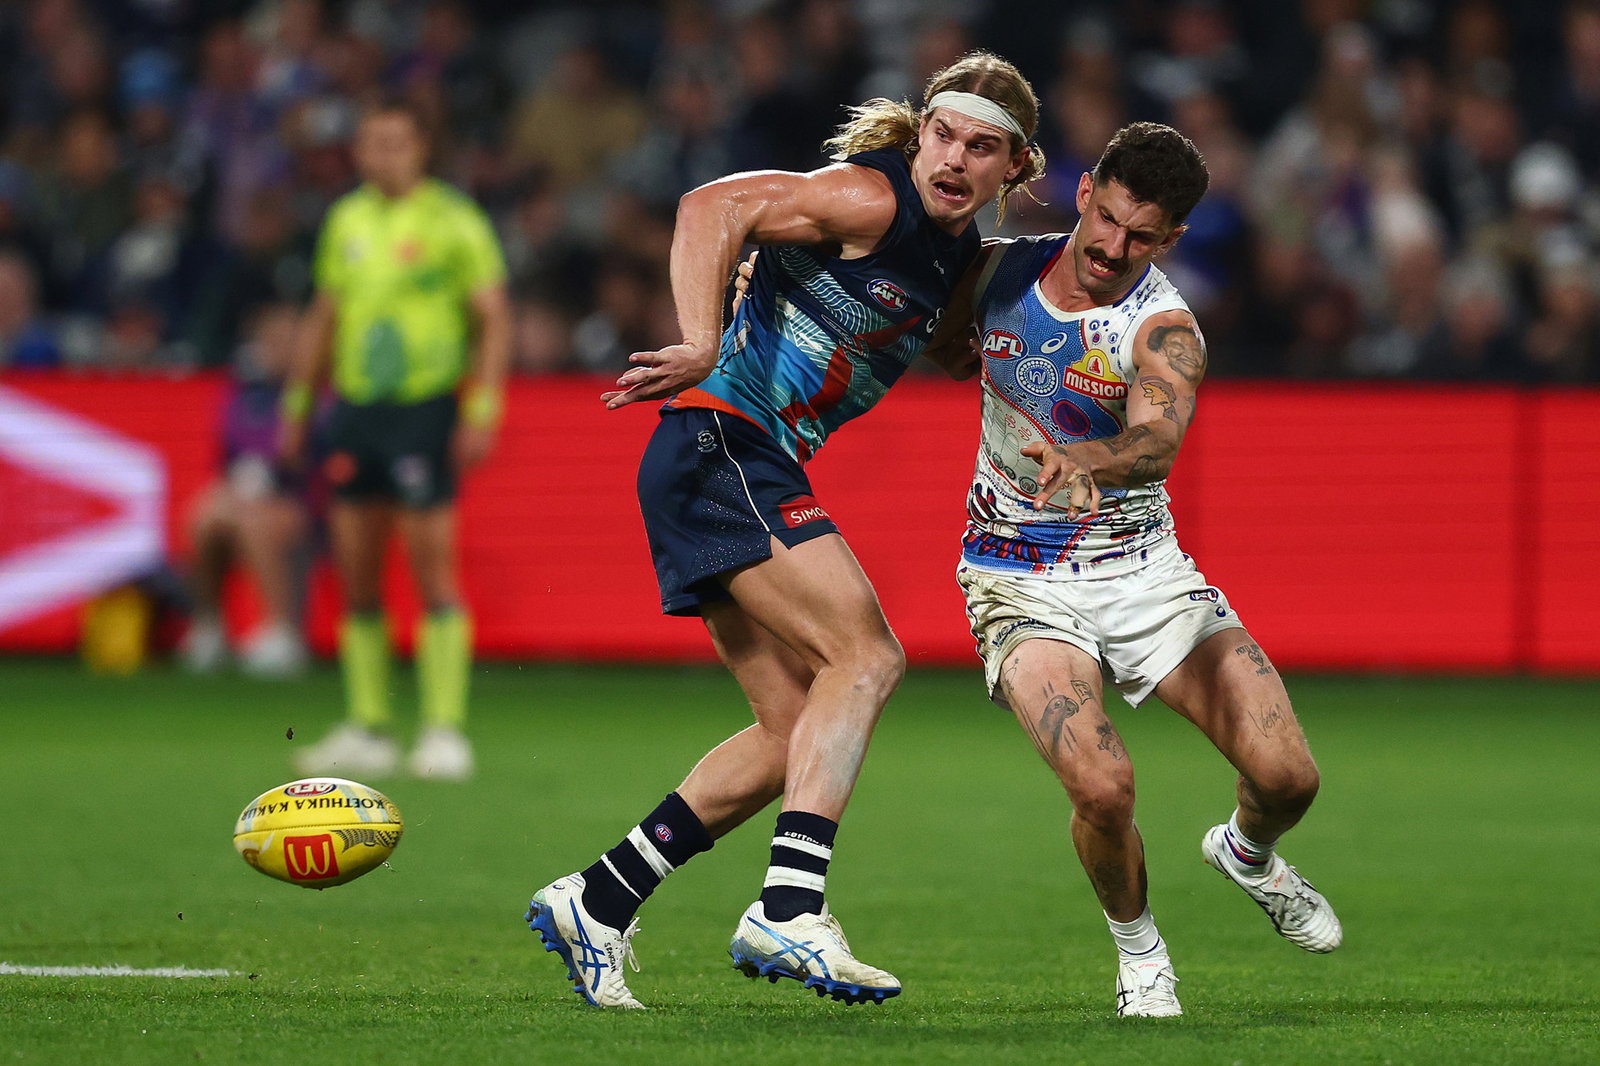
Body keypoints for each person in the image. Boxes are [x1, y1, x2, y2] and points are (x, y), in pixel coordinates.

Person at [524, 52, 1045, 1010]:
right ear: (920, 132)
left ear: (1014, 167)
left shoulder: (948, 257)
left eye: (981, 148)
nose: (953, 158)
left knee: (792, 728)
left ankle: (597, 901)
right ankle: (790, 908)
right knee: (868, 656)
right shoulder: (870, 197)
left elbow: (928, 333)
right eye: (942, 134)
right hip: (723, 441)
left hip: (724, 460)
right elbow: (708, 207)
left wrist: (979, 347)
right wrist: (701, 340)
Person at [939, 122, 1341, 1018]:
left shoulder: (1162, 327)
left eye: (1142, 236)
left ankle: (1246, 852)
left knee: (1289, 779)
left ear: (1172, 239)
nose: (1114, 249)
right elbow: (916, 329)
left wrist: (1089, 457)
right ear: (1085, 193)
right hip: (1015, 573)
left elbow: (1158, 439)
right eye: (1109, 220)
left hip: (1144, 571)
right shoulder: (996, 273)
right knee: (1103, 786)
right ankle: (1142, 956)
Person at [280, 100, 512, 781]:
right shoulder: (345, 220)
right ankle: (370, 726)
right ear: (357, 151)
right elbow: (325, 315)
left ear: (420, 149)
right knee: (355, 571)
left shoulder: (453, 221)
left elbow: (493, 318)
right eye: (372, 142)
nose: (383, 154)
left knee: (432, 570)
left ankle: (443, 730)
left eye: (396, 142)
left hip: (424, 409)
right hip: (356, 411)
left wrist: (483, 408)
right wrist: (298, 404)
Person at [181, 302, 319, 677]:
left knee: (255, 522)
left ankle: (282, 632)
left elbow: (312, 461)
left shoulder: (318, 393)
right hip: (248, 497)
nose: (279, 350)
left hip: (304, 503)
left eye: (288, 341)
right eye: (271, 341)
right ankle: (209, 628)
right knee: (205, 515)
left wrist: (273, 471)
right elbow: (229, 454)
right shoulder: (244, 394)